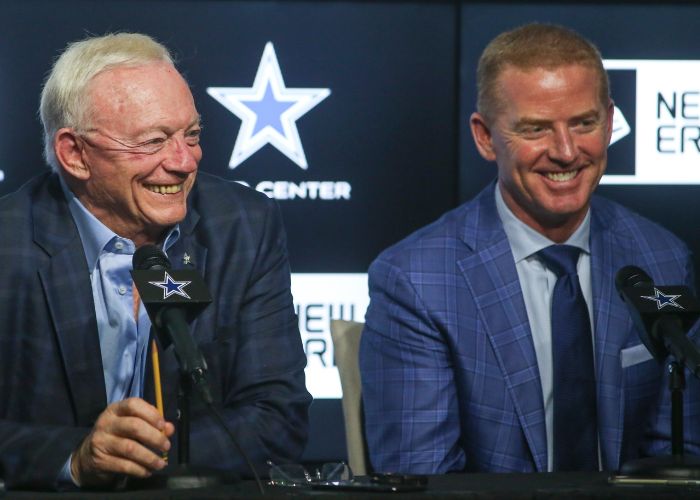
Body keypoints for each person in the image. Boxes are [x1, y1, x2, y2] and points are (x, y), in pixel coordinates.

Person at [359, 23, 700, 474]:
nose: (565, 151)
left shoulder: (662, 257)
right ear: (485, 137)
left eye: (584, 123)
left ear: (611, 120)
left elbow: (676, 462)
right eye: (536, 129)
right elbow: (424, 480)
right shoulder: (417, 281)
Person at [0, 33, 311, 489]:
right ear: (75, 154)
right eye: (154, 141)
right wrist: (78, 458)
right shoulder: (9, 244)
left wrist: (146, 458)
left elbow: (277, 418)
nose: (184, 162)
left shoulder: (243, 225)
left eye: (192, 135)